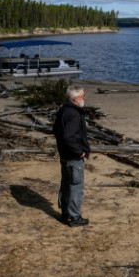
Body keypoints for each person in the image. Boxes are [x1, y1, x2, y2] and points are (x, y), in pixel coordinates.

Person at [53, 85, 90, 227]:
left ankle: (65, 214)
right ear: (75, 99)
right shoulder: (73, 114)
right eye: (82, 96)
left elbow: (56, 131)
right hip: (73, 157)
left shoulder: (64, 110)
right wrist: (79, 152)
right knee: (75, 187)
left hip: (65, 155)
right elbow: (69, 137)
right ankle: (74, 217)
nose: (84, 98)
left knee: (67, 185)